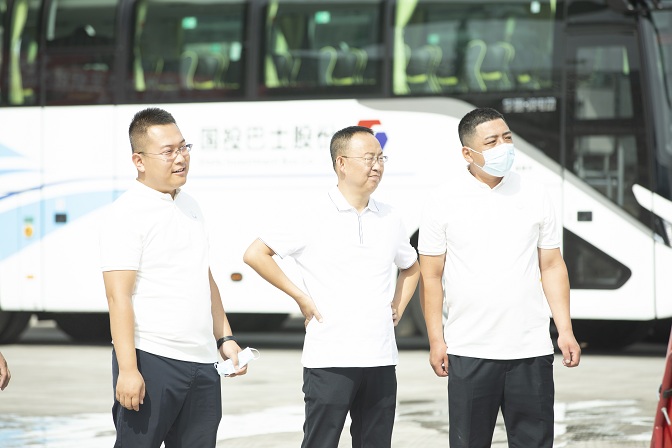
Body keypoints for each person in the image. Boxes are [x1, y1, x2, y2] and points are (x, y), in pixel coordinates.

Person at [243, 125, 420, 448]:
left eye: (381, 158)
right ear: (341, 163)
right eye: (368, 158)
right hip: (329, 358)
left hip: (380, 358)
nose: (377, 166)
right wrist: (300, 297)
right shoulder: (310, 213)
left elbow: (411, 266)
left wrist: (399, 304)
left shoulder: (390, 217)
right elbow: (256, 254)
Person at [418, 107, 581, 448]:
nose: (503, 147)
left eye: (507, 138)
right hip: (469, 349)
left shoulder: (534, 192)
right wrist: (436, 340)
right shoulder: (442, 199)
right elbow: (431, 275)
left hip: (530, 349)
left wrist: (564, 330)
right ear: (468, 153)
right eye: (491, 142)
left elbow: (552, 265)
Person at [99, 107, 246, 447]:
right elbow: (118, 296)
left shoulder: (190, 204)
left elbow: (203, 276)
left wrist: (224, 338)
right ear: (139, 161)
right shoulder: (126, 213)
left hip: (202, 362)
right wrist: (128, 369)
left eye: (183, 147)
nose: (180, 158)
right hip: (152, 359)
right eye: (168, 151)